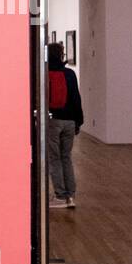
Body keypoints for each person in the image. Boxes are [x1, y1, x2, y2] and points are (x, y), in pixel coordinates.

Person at [46, 41, 84, 207]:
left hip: (53, 120)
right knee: (66, 157)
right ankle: (70, 196)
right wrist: (78, 121)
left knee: (54, 158)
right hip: (70, 121)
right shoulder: (70, 73)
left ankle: (60, 196)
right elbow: (76, 98)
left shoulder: (45, 73)